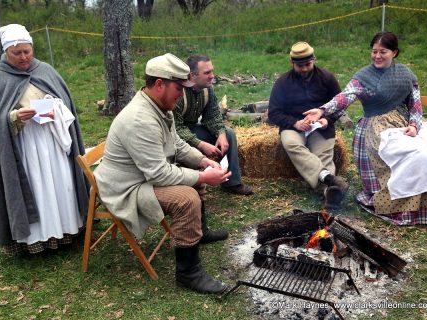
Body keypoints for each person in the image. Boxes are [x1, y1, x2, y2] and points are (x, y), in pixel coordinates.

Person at [94, 53, 231, 294]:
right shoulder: (141, 119)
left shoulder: (159, 106)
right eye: (179, 88)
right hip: (126, 187)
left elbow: (176, 144)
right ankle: (188, 273)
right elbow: (159, 174)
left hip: (142, 176)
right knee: (186, 198)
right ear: (159, 84)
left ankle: (200, 232)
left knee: (193, 178)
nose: (182, 95)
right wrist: (202, 176)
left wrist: (202, 162)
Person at [304, 31, 427, 227]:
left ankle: (426, 208)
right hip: (374, 129)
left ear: (394, 52)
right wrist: (322, 110)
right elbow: (344, 97)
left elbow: (415, 105)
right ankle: (395, 205)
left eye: (383, 52)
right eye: (374, 51)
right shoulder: (363, 76)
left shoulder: (406, 75)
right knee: (418, 155)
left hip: (403, 126)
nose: (377, 56)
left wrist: (414, 125)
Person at [0, 24, 89, 254]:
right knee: (38, 187)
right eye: (16, 53)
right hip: (24, 147)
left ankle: (67, 231)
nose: (23, 57)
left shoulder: (45, 70)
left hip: (53, 140)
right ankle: (36, 240)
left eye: (27, 51)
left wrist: (56, 110)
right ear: (6, 53)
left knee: (59, 184)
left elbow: (65, 103)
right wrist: (14, 117)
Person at [268, 42, 349, 209]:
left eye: (307, 64)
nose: (304, 69)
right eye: (299, 66)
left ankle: (329, 194)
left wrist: (328, 120)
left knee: (324, 154)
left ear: (314, 60)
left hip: (321, 125)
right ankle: (329, 180)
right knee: (291, 144)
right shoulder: (283, 82)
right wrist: (295, 123)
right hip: (293, 125)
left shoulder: (327, 78)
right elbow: (273, 113)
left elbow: (339, 105)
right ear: (292, 63)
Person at [173, 54, 253, 196]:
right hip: (174, 136)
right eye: (207, 73)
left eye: (212, 71)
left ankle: (231, 183)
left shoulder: (207, 88)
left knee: (228, 133)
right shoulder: (179, 93)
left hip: (191, 128)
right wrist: (201, 144)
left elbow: (213, 115)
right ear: (192, 75)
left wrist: (221, 134)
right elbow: (175, 129)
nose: (212, 76)